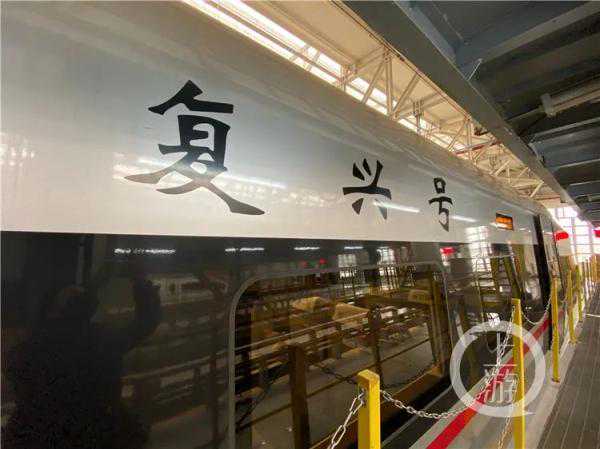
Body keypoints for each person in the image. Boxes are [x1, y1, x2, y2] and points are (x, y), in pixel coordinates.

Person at [3, 274, 162, 449]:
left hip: (41, 436)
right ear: (88, 311)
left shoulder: (30, 347)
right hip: (95, 433)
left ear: (52, 310)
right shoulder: (102, 339)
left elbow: (14, 373)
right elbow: (146, 322)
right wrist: (141, 282)